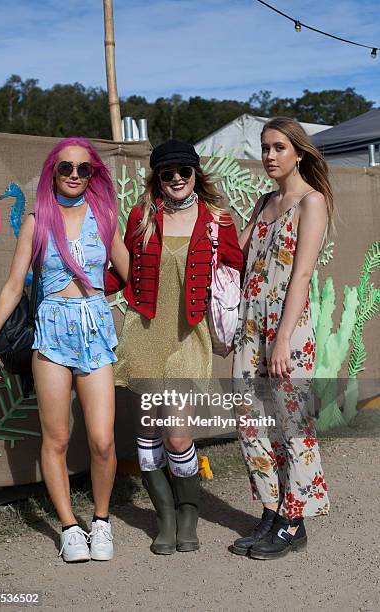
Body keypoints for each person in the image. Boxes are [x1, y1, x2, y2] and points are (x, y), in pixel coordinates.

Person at [0, 137, 130, 563]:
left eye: (84, 169)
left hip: (95, 330)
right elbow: (13, 286)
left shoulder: (104, 218)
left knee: (102, 440)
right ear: (53, 171)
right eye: (66, 167)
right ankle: (69, 527)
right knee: (57, 438)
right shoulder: (36, 220)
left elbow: (131, 272)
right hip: (51, 331)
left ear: (93, 174)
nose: (75, 175)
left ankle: (101, 522)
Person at [105, 139, 243, 554]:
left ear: (196, 174)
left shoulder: (217, 219)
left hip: (191, 337)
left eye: (184, 170)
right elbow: (122, 272)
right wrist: (80, 285)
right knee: (147, 436)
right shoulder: (141, 216)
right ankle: (164, 515)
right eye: (168, 173)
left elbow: (236, 266)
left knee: (178, 435)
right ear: (157, 178)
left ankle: (188, 512)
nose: (177, 178)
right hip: (144, 333)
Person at [231, 117, 332, 560]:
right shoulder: (262, 202)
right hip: (250, 326)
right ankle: (272, 510)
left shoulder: (312, 202)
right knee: (250, 423)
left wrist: (284, 337)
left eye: (278, 147)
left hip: (285, 329)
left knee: (291, 426)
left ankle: (295, 520)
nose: (269, 156)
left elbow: (302, 273)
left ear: (299, 152)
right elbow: (239, 259)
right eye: (265, 147)